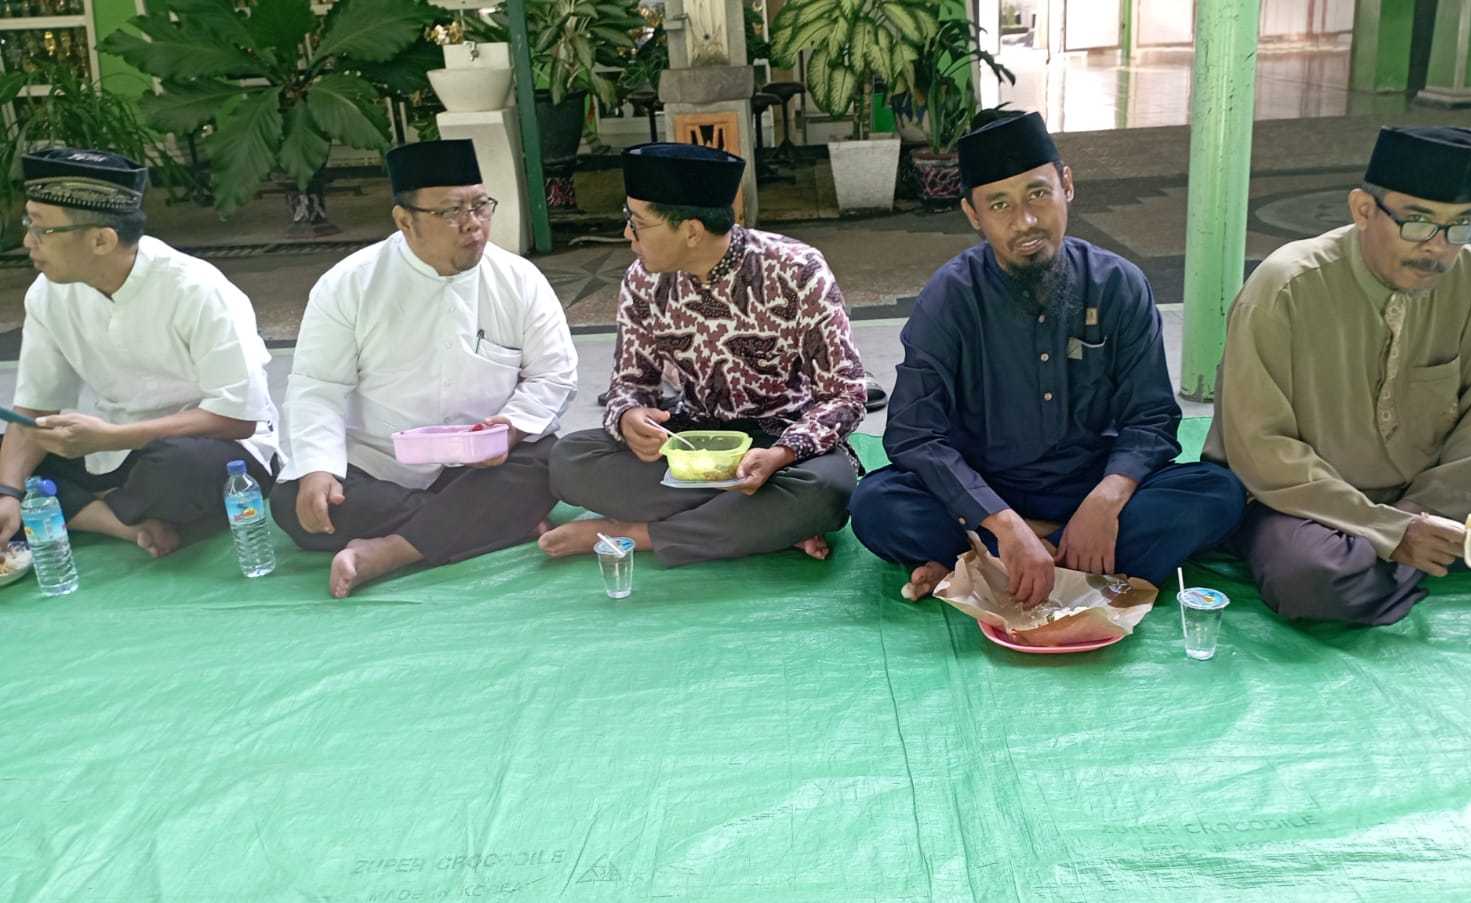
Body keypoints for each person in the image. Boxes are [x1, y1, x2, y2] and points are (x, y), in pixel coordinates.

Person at [1204, 126, 1471, 625]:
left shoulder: (1460, 270)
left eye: (1460, 226)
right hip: (1306, 504)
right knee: (1311, 580)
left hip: (1428, 485)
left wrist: (1431, 506)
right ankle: (1463, 551)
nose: (1438, 248)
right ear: (1362, 210)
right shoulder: (1286, 285)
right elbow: (1260, 447)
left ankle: (1429, 551)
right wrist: (1388, 529)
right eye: (1418, 222)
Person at [849, 113, 1246, 606]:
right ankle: (1059, 561)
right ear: (973, 214)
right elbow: (914, 433)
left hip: (1092, 489)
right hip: (985, 493)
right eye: (999, 204)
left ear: (1067, 185)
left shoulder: (1118, 285)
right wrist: (1005, 523)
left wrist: (1106, 500)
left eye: (1038, 194)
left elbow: (1151, 419)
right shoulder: (950, 297)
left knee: (1218, 492)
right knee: (876, 505)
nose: (1025, 221)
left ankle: (984, 564)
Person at [272, 139, 578, 597]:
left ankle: (391, 550)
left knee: (553, 462)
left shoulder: (519, 279)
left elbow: (554, 375)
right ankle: (486, 521)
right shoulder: (348, 285)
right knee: (294, 502)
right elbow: (318, 386)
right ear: (404, 221)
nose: (473, 223)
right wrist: (318, 468)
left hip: (485, 463)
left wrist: (511, 428)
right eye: (452, 211)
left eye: (481, 206)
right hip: (378, 464)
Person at [538, 143, 866, 566]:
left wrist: (782, 454)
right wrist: (628, 416)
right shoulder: (643, 282)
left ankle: (639, 534)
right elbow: (631, 385)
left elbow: (845, 395)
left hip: (781, 445)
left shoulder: (796, 269)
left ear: (691, 231)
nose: (627, 235)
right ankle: (757, 524)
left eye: (638, 223)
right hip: (688, 445)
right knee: (569, 460)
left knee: (827, 490)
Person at [0, 147, 278, 555]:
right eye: (29, 224)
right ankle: (126, 525)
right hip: (110, 450)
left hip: (209, 447)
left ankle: (84, 506)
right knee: (10, 454)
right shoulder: (47, 294)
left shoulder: (197, 289)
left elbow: (238, 417)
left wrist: (109, 438)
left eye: (42, 229)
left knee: (177, 471)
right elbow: (36, 408)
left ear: (101, 240)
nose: (28, 241)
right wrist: (8, 491)